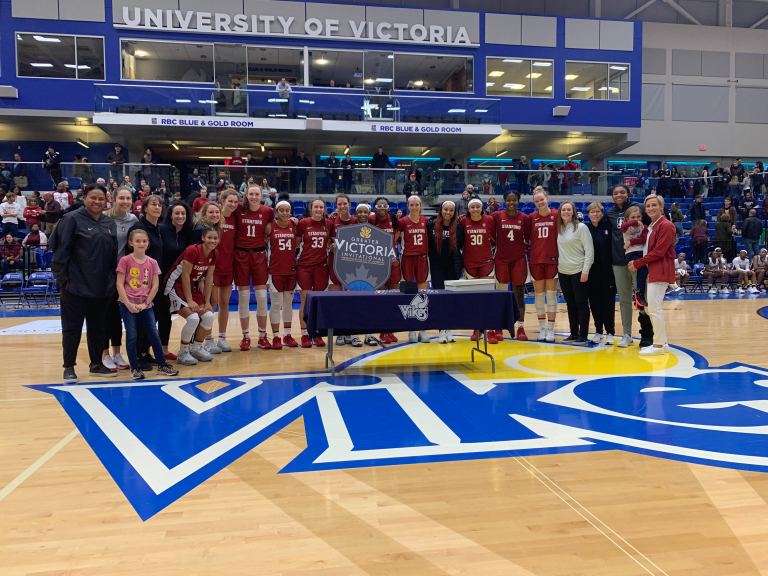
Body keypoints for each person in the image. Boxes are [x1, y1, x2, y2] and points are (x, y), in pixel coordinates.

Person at [50, 185, 118, 383]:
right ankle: (69, 366)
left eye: (101, 198)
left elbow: (113, 255)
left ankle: (96, 363)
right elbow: (60, 253)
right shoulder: (71, 219)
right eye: (93, 198)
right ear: (84, 198)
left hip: (102, 288)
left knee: (98, 328)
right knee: (72, 329)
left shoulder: (108, 222)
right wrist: (64, 282)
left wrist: (112, 282)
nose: (97, 202)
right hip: (75, 287)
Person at [116, 229, 179, 380]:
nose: (141, 244)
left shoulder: (152, 262)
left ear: (148, 244)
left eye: (144, 241)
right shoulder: (125, 260)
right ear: (131, 243)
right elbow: (119, 284)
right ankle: (135, 368)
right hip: (127, 304)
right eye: (137, 241)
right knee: (132, 336)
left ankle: (162, 365)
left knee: (153, 334)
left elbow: (155, 285)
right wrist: (128, 304)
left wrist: (146, 303)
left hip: (146, 305)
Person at [628, 195, 676, 355]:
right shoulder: (654, 226)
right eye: (648, 206)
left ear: (661, 207)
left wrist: (637, 263)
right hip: (654, 269)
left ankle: (658, 346)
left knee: (654, 308)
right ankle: (664, 342)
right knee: (653, 308)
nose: (650, 208)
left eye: (654, 205)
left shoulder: (666, 225)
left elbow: (659, 252)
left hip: (660, 269)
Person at [165, 228, 219, 365]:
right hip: (175, 285)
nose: (212, 241)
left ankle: (196, 348)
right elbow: (185, 275)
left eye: (215, 238)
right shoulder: (192, 250)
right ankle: (183, 353)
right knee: (193, 318)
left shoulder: (214, 253)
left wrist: (207, 302)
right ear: (203, 238)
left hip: (191, 286)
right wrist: (189, 300)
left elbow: (209, 279)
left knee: (208, 316)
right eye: (209, 238)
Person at [607, 185, 653, 348]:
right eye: (615, 193)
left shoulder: (639, 208)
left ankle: (647, 334)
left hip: (638, 261)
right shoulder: (610, 213)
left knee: (641, 297)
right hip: (618, 262)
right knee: (624, 300)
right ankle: (627, 334)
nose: (619, 195)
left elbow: (649, 229)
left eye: (622, 192)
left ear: (628, 193)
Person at [101, 188, 138, 372]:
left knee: (117, 316)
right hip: (103, 273)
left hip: (122, 274)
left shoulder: (133, 220)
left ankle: (117, 352)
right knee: (104, 315)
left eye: (128, 198)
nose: (125, 201)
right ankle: (104, 353)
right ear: (113, 199)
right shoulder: (104, 218)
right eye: (121, 198)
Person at [234, 185, 274, 351]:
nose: (254, 197)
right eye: (251, 194)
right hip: (241, 255)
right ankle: (245, 336)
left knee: (262, 298)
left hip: (258, 255)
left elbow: (275, 225)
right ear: (246, 195)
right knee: (243, 298)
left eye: (256, 194)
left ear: (261, 195)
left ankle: (263, 336)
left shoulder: (268, 211)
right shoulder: (238, 210)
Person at [158, 201, 194, 359]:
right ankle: (159, 349)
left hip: (180, 281)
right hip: (161, 279)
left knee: (191, 314)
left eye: (183, 214)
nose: (180, 216)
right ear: (170, 215)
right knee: (161, 315)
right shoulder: (162, 230)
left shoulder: (189, 233)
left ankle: (189, 348)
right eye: (177, 213)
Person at [460, 198, 498, 343]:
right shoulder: (463, 221)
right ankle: (477, 328)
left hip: (486, 262)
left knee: (488, 296)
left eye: (477, 207)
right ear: (468, 209)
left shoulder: (489, 220)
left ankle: (491, 329)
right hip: (470, 263)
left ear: (481, 208)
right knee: (474, 298)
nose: (475, 209)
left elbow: (496, 238)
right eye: (472, 207)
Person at [493, 191, 529, 341]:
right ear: (504, 201)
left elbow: (528, 238)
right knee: (501, 294)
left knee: (518, 294)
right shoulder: (497, 216)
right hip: (501, 259)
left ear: (518, 201)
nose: (511, 203)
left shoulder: (524, 218)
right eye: (508, 200)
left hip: (518, 259)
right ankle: (499, 327)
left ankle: (520, 327)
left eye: (514, 200)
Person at [556, 201, 594, 345]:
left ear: (573, 211)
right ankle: (573, 333)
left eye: (568, 209)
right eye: (563, 209)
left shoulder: (581, 227)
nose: (566, 212)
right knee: (570, 304)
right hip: (563, 272)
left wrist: (585, 271)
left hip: (578, 271)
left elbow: (589, 251)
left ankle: (583, 335)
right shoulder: (560, 228)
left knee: (581, 303)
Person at [428, 200, 463, 344]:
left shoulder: (459, 227)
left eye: (451, 210)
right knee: (439, 299)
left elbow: (460, 247)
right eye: (445, 210)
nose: (448, 212)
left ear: (454, 212)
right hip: (437, 268)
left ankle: (449, 329)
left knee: (450, 300)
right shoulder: (431, 225)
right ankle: (441, 330)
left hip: (452, 268)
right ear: (441, 210)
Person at [296, 198, 330, 348]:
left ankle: (316, 333)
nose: (318, 209)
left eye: (321, 207)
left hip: (321, 267)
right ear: (311, 209)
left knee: (318, 301)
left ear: (324, 209)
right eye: (316, 207)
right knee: (305, 298)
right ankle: (304, 334)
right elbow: (296, 243)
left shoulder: (329, 224)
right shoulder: (303, 223)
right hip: (304, 266)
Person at [266, 200, 299, 349]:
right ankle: (275, 336)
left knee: (288, 304)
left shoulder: (295, 225)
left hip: (291, 270)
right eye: (282, 210)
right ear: (276, 211)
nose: (285, 213)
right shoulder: (269, 227)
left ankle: (287, 334)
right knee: (276, 304)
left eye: (287, 210)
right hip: (275, 271)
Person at [528, 187, 558, 343]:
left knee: (551, 296)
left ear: (547, 198)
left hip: (552, 260)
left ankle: (551, 330)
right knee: (539, 296)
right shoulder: (531, 218)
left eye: (542, 199)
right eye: (537, 201)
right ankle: (542, 328)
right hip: (536, 260)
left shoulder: (556, 215)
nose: (540, 202)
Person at [211, 190, 239, 353]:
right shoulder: (214, 216)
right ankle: (207, 339)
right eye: (230, 201)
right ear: (222, 200)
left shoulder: (235, 218)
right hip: (213, 268)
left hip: (228, 266)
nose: (233, 204)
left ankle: (222, 338)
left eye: (236, 202)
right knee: (211, 304)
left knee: (224, 304)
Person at [399, 195, 430, 343]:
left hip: (423, 257)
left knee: (423, 293)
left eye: (416, 205)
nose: (414, 207)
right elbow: (395, 239)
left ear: (420, 206)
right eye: (411, 205)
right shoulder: (403, 222)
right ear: (408, 206)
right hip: (408, 258)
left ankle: (423, 328)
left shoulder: (426, 221)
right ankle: (411, 329)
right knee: (410, 294)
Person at [369, 197, 400, 343]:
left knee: (393, 294)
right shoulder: (371, 219)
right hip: (377, 262)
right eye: (379, 205)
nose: (382, 207)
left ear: (388, 207)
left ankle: (390, 329)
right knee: (381, 295)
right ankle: (382, 330)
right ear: (375, 207)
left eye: (384, 205)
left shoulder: (393, 219)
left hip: (392, 261)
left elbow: (398, 233)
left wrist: (393, 246)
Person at [585, 202, 616, 346]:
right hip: (592, 273)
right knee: (595, 304)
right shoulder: (586, 229)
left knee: (608, 304)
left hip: (608, 272)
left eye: (598, 211)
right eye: (592, 212)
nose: (595, 214)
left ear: (602, 213)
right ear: (588, 214)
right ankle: (598, 331)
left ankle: (610, 331)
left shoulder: (608, 227)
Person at [328, 194, 357, 296]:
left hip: (352, 260)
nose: (342, 206)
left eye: (345, 203)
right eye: (339, 204)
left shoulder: (356, 220)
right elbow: (327, 239)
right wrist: (330, 247)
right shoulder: (331, 220)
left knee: (352, 288)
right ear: (336, 205)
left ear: (349, 204)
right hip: (336, 259)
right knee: (336, 285)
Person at [621, 205, 649, 308]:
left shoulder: (644, 227)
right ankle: (638, 293)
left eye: (638, 217)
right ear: (627, 219)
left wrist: (631, 241)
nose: (636, 219)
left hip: (642, 253)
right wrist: (635, 222)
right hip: (631, 253)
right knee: (642, 270)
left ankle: (638, 294)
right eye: (633, 217)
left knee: (643, 272)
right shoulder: (626, 226)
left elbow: (643, 239)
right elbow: (623, 227)